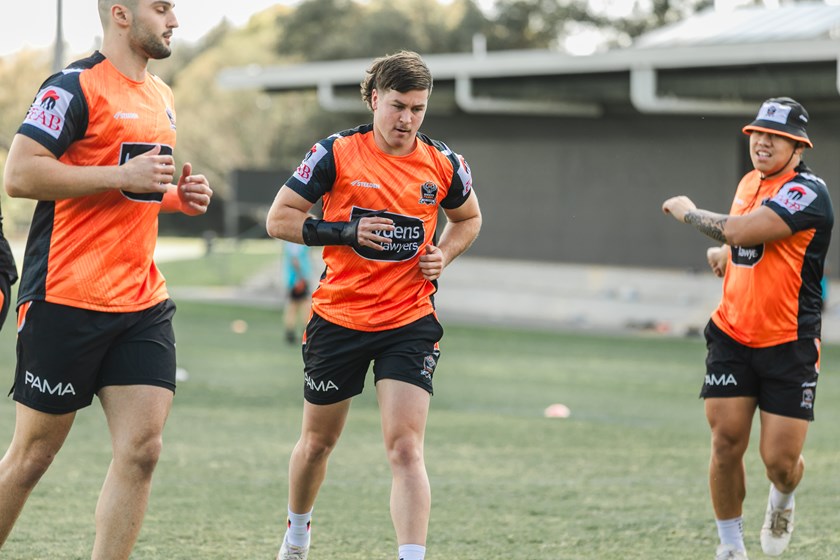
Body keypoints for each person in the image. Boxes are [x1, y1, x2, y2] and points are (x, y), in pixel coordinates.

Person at [0, 1, 213, 558]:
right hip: (65, 299)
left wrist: (175, 200)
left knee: (142, 450)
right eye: (161, 7)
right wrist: (122, 172)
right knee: (31, 458)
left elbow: (131, 194)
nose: (174, 20)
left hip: (141, 301)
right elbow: (19, 175)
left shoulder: (162, 96)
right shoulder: (71, 87)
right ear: (121, 13)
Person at [266, 50, 482, 560]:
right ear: (373, 99)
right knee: (317, 444)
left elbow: (469, 219)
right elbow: (280, 218)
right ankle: (297, 535)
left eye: (418, 108)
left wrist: (443, 255)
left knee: (406, 447)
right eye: (397, 106)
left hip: (409, 321)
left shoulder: (444, 163)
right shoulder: (335, 154)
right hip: (338, 318)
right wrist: (344, 231)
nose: (406, 119)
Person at [662, 97, 832, 560]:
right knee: (725, 443)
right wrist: (726, 257)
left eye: (775, 135)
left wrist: (687, 211)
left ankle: (782, 499)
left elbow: (741, 231)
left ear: (798, 146)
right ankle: (730, 546)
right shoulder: (749, 182)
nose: (762, 140)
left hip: (789, 342)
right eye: (757, 132)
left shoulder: (807, 191)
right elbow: (749, 241)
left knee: (779, 462)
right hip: (733, 334)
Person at [283, 240, 313, 344]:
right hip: (297, 280)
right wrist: (301, 278)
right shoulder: (294, 242)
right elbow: (295, 260)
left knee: (296, 306)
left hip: (295, 279)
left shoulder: (294, 241)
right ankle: (296, 332)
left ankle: (292, 333)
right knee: (299, 306)